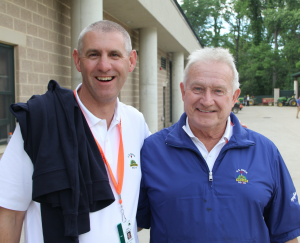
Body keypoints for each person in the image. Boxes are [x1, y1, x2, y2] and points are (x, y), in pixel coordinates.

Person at [0, 20, 150, 243]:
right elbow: (10, 214)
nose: (104, 65)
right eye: (93, 54)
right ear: (77, 61)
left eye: (115, 55)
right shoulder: (40, 123)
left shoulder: (136, 123)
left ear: (131, 61)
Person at [136, 47, 300, 243]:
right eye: (197, 88)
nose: (206, 100)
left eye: (218, 91)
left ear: (234, 97)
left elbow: (286, 234)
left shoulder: (265, 152)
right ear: (183, 91)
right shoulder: (152, 151)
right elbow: (130, 221)